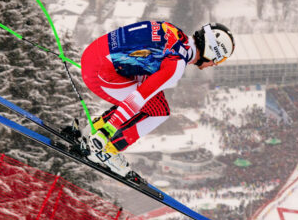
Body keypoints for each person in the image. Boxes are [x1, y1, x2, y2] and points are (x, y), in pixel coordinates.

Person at [80, 21, 235, 176]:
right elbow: (138, 97)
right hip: (101, 74)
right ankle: (107, 150)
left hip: (93, 55)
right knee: (158, 112)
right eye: (218, 59)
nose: (214, 65)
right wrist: (109, 130)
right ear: (211, 51)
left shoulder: (174, 31)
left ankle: (90, 131)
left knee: (154, 102)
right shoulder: (176, 64)